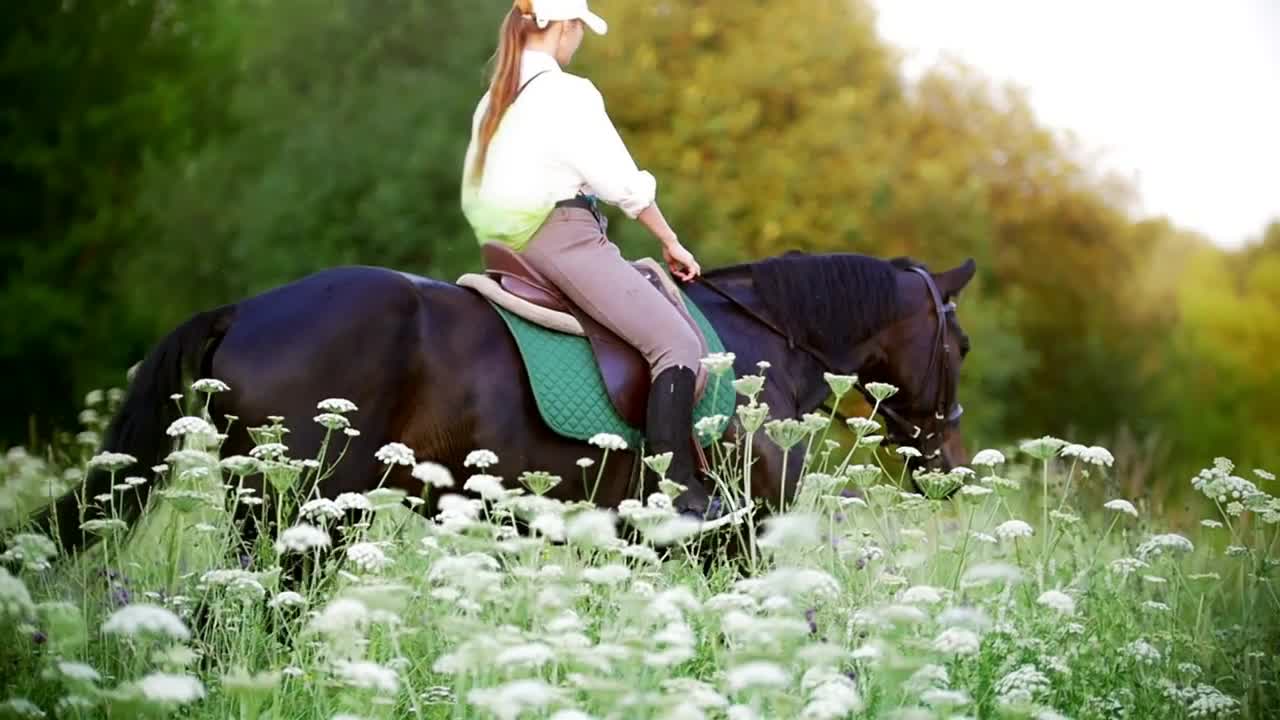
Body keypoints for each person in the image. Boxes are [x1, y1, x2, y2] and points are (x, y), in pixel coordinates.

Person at [460, 0, 716, 516]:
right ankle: (677, 497)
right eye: (579, 30)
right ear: (564, 26)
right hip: (564, 239)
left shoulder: (493, 99)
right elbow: (622, 184)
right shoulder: (566, 92)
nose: (578, 42)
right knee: (677, 344)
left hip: (507, 247)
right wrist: (670, 241)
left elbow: (473, 191)